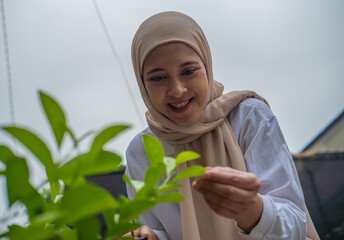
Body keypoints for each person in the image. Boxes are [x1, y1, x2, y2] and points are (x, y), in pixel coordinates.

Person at [125, 11, 319, 240]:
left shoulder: (248, 117)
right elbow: (161, 230)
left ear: (206, 65)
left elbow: (296, 223)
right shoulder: (142, 151)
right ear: (142, 83)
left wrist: (253, 211)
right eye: (158, 78)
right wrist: (152, 236)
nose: (177, 90)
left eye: (188, 71)